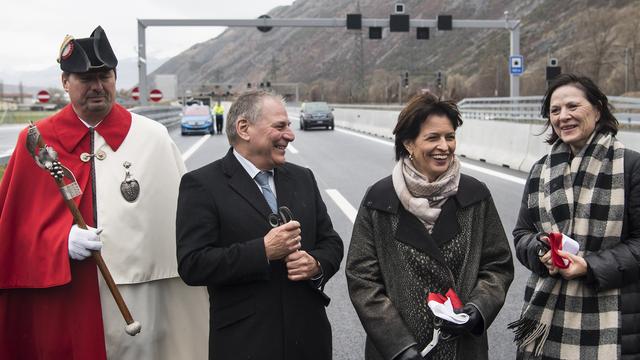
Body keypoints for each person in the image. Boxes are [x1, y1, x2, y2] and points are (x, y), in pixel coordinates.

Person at [0, 26, 209, 359]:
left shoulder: (152, 138)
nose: (97, 87)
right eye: (85, 79)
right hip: (65, 302)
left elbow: (186, 225)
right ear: (65, 83)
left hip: (143, 300)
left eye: (105, 76)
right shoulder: (38, 144)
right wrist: (59, 241)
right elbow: (10, 233)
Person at [176, 90, 344, 360]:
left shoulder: (303, 178)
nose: (290, 135)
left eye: (288, 126)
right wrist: (263, 251)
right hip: (245, 342)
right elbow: (192, 264)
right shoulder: (202, 185)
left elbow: (331, 242)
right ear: (244, 128)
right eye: (280, 126)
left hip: (309, 338)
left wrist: (316, 264)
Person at [346, 93, 514, 360]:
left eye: (449, 136)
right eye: (433, 137)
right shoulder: (380, 199)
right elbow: (362, 279)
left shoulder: (474, 196)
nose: (444, 146)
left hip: (462, 347)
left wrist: (476, 309)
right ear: (409, 143)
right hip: (398, 351)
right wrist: (399, 346)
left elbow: (498, 264)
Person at [511, 74, 640, 359]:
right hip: (546, 324)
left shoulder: (631, 166)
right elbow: (522, 234)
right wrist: (540, 249)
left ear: (597, 109)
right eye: (555, 111)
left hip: (612, 322)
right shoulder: (540, 170)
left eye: (572, 106)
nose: (563, 116)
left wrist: (589, 267)